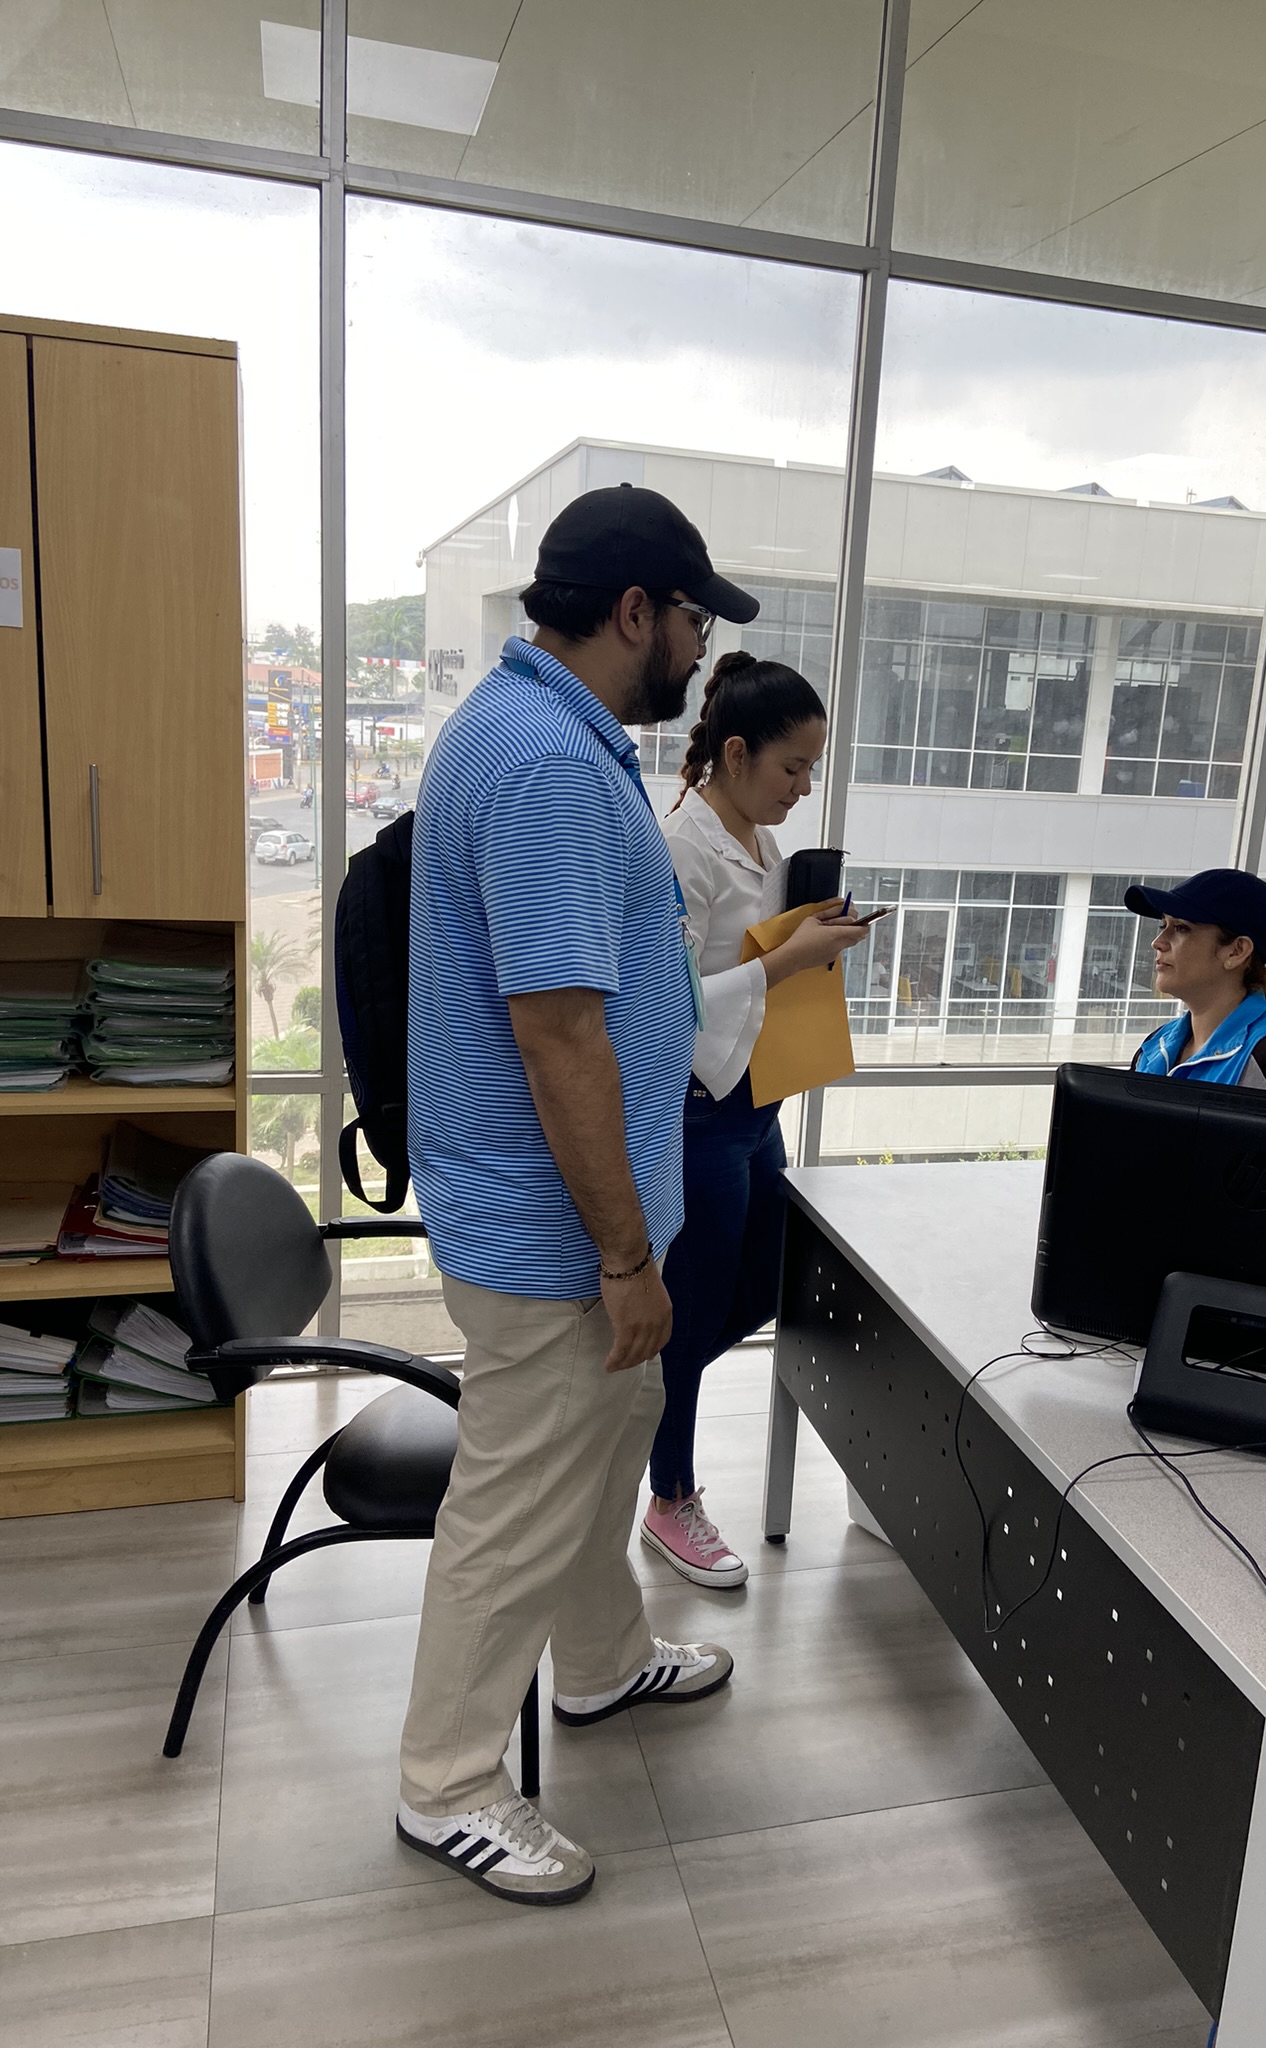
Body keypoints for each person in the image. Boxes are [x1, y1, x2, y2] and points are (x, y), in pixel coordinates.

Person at [395, 483, 760, 1907]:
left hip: (586, 1220)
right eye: (693, 621)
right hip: (554, 1233)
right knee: (518, 1504)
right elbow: (557, 1034)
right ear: (634, 611)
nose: (699, 649)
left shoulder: (542, 728)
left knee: (603, 1453)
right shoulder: (548, 762)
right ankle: (446, 1784)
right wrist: (623, 1254)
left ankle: (600, 1663)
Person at [642, 653, 869, 1588]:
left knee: (769, 1279)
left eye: (812, 770)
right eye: (791, 768)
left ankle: (646, 1393)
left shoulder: (761, 844)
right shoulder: (681, 846)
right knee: (693, 1305)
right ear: (735, 754)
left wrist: (816, 937)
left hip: (755, 1098)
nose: (802, 788)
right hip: (699, 1109)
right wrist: (788, 959)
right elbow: (667, 1001)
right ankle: (670, 1495)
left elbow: (756, 962)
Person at [1124, 868, 1266, 1097]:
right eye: (1163, 925)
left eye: (1181, 928)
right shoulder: (1157, 1044)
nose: (1158, 942)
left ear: (1237, 951)